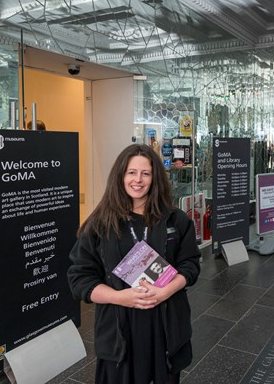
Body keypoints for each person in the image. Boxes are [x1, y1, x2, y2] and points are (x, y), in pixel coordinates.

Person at [67, 143, 201, 384]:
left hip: (166, 326)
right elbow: (80, 279)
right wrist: (121, 297)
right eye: (131, 172)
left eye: (145, 173)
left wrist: (164, 291)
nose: (138, 180)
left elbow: (190, 265)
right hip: (119, 331)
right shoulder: (99, 224)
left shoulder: (176, 219)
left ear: (155, 178)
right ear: (120, 176)